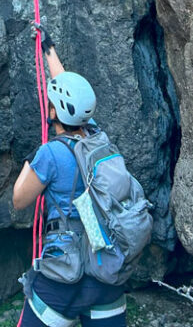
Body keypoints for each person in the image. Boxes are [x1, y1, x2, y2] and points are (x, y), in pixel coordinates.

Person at [13, 30, 128, 327]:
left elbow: (19, 199)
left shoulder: (50, 154)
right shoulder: (98, 138)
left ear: (53, 111)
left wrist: (31, 159)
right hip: (106, 275)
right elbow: (70, 96)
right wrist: (48, 49)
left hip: (62, 278)